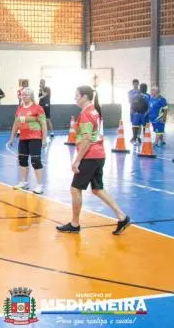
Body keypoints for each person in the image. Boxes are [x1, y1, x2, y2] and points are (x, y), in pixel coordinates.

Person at [56, 86, 131, 235]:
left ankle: (74, 224)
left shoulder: (86, 114)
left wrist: (77, 160)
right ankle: (122, 217)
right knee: (97, 189)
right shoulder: (95, 111)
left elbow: (87, 139)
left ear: (84, 97)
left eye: (77, 96)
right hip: (99, 154)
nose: (75, 98)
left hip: (90, 156)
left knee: (75, 189)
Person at [8, 87, 47, 194]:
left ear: (31, 96)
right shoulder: (19, 109)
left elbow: (43, 124)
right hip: (23, 138)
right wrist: (12, 138)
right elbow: (16, 123)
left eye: (26, 95)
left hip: (35, 138)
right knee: (22, 159)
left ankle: (40, 185)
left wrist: (44, 139)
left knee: (35, 160)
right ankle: (24, 182)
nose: (24, 96)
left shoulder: (38, 108)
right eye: (23, 95)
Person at [128, 79, 143, 144]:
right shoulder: (130, 92)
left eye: (136, 84)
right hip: (133, 110)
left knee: (139, 124)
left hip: (139, 110)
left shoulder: (141, 92)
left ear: (138, 84)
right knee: (133, 124)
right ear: (133, 84)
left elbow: (142, 100)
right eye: (134, 84)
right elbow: (129, 100)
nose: (135, 85)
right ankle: (134, 136)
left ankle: (138, 137)